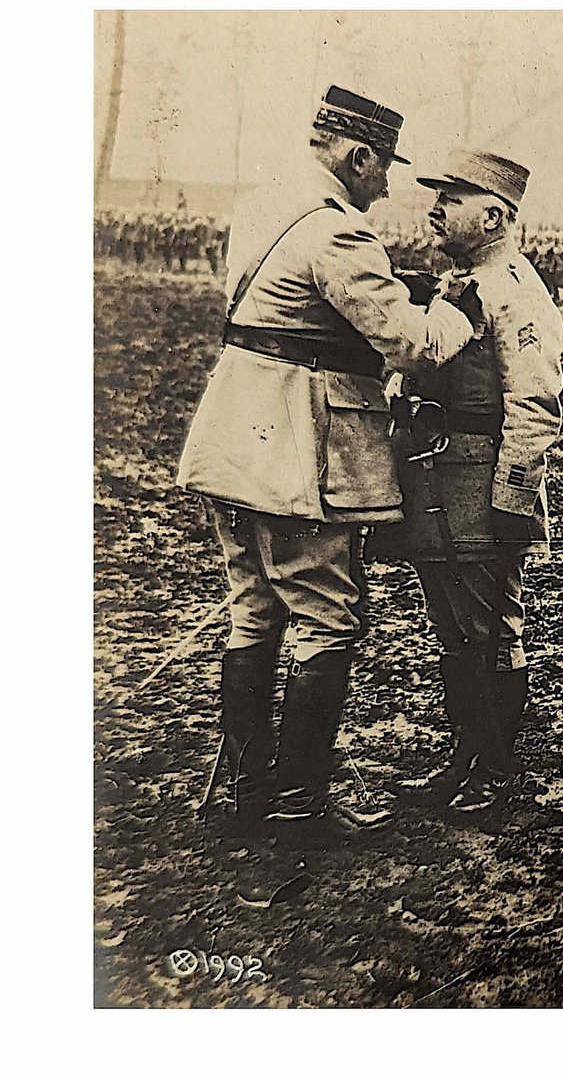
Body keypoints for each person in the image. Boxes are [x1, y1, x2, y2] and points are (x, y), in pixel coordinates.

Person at [176, 89, 479, 842]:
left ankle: (251, 793)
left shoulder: (263, 204)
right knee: (324, 619)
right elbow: (408, 343)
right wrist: (453, 315)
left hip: (231, 440)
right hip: (295, 451)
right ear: (357, 156)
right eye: (382, 173)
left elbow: (291, 309)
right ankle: (300, 806)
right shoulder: (340, 233)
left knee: (253, 610)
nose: (384, 189)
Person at [389, 149, 563, 821]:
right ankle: (463, 755)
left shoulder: (516, 290)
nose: (433, 210)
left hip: (483, 482)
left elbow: (535, 401)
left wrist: (514, 494)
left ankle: (495, 770)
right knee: (453, 629)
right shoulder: (459, 282)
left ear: (493, 214)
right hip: (438, 476)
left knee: (491, 628)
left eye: (450, 199)